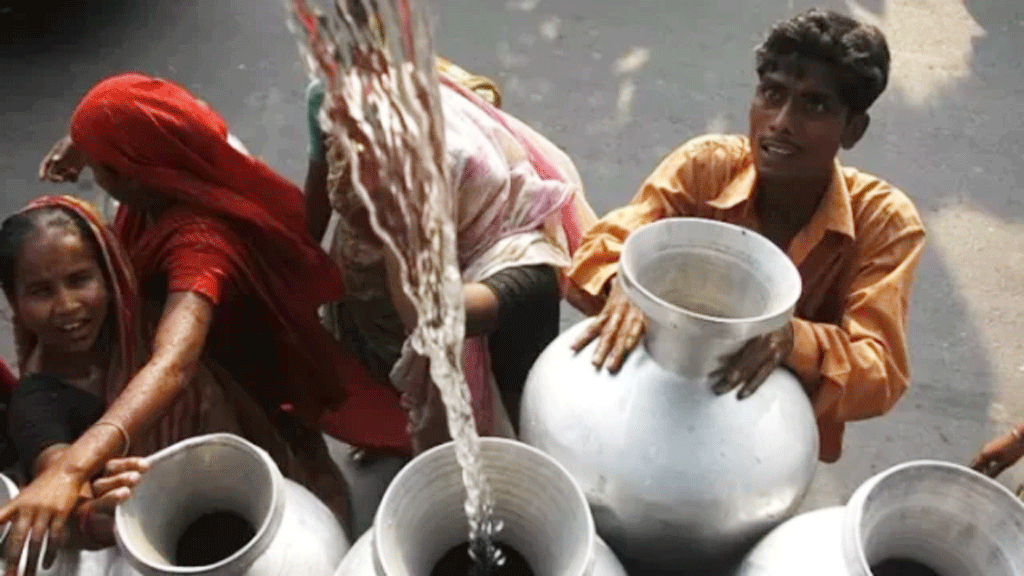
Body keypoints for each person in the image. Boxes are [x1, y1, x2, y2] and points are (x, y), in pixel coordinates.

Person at [0, 72, 372, 570]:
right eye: (42, 291)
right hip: (204, 374)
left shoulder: (198, 244)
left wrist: (74, 467)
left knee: (297, 455)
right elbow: (178, 118)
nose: (68, 307)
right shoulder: (47, 393)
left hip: (236, 352)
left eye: (79, 280)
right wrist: (88, 145)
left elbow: (174, 362)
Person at [567, 8, 925, 463]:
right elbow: (599, 251)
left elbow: (881, 372)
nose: (781, 122)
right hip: (651, 399)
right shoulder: (705, 167)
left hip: (768, 440)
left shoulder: (884, 222)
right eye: (772, 94)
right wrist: (626, 284)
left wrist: (793, 341)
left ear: (853, 129)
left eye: (815, 104)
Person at [305, 60, 596, 453]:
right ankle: (398, 435)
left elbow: (434, 316)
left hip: (425, 307)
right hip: (365, 290)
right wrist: (299, 266)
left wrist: (398, 234)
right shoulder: (336, 100)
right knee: (384, 381)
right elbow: (320, 190)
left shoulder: (527, 275)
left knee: (480, 427)